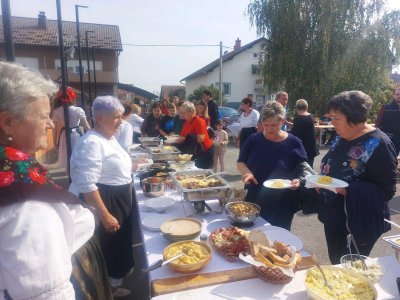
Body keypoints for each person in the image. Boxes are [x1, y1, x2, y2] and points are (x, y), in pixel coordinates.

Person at [0, 62, 112, 299]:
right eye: (43, 116)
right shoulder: (27, 204)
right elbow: (45, 293)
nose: (50, 124)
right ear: (7, 122)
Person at [318, 90, 397, 264]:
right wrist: (320, 180)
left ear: (354, 118)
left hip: (358, 221)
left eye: (336, 118)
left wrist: (349, 190)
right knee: (336, 261)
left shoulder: (379, 144)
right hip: (335, 215)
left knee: (349, 267)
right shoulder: (342, 136)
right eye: (331, 118)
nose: (332, 123)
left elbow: (387, 190)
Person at [69, 96, 134, 297]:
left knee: (116, 246)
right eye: (116, 117)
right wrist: (105, 215)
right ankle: (104, 291)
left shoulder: (108, 137)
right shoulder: (91, 142)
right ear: (99, 118)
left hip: (118, 197)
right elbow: (87, 184)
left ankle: (112, 287)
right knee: (106, 249)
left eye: (121, 117)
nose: (121, 122)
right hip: (105, 200)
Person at [237, 101, 307, 230]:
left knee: (279, 238)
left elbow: (303, 168)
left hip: (283, 201)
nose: (269, 129)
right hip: (256, 198)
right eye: (266, 124)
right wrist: (246, 172)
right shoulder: (254, 139)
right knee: (254, 235)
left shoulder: (294, 143)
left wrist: (299, 180)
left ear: (282, 122)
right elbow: (240, 162)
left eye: (273, 125)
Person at [51, 86, 90, 169]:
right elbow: (86, 126)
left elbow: (54, 129)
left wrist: (55, 142)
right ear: (73, 98)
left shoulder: (56, 111)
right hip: (77, 135)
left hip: (64, 136)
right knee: (78, 158)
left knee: (66, 159)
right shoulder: (78, 110)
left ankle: (69, 176)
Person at [177, 101, 214, 169]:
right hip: (194, 151)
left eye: (183, 112)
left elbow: (200, 139)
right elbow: (181, 136)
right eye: (181, 112)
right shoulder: (186, 122)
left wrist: (185, 138)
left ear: (191, 111)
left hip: (204, 151)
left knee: (200, 174)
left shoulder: (199, 121)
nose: (182, 114)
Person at [291, 99, 319, 167]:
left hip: (303, 148)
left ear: (296, 108)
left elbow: (296, 136)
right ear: (306, 107)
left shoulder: (298, 119)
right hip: (311, 147)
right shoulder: (311, 117)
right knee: (310, 168)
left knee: (302, 169)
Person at [375, 87, 400, 155]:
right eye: (397, 94)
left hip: (398, 139)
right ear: (394, 95)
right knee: (388, 159)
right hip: (388, 139)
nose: (399, 96)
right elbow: (378, 123)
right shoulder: (385, 108)